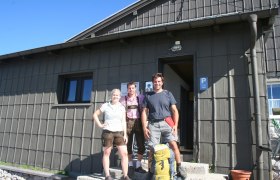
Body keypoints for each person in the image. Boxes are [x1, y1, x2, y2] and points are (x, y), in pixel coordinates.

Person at [141, 73, 187, 178]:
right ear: (152, 82)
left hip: (167, 122)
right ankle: (150, 172)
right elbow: (144, 112)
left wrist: (175, 125)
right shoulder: (148, 95)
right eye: (155, 81)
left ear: (162, 82)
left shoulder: (168, 94)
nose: (157, 83)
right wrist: (144, 127)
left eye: (159, 81)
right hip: (153, 124)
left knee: (174, 145)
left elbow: (175, 110)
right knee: (152, 149)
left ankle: (179, 168)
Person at [93, 89, 131, 180]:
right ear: (111, 95)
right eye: (114, 95)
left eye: (117, 95)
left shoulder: (122, 107)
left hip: (119, 133)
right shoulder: (106, 105)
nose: (116, 96)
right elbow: (95, 114)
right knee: (107, 153)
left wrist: (125, 134)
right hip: (108, 132)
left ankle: (125, 175)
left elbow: (123, 121)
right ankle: (107, 175)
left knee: (124, 154)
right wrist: (100, 125)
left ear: (120, 96)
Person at [120, 82, 147, 178]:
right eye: (129, 88)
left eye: (132, 88)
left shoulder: (141, 98)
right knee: (128, 144)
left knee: (141, 144)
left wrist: (146, 122)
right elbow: (121, 112)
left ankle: (138, 165)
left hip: (139, 122)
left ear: (135, 89)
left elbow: (145, 110)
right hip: (128, 123)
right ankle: (130, 165)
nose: (131, 90)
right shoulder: (123, 99)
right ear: (127, 89)